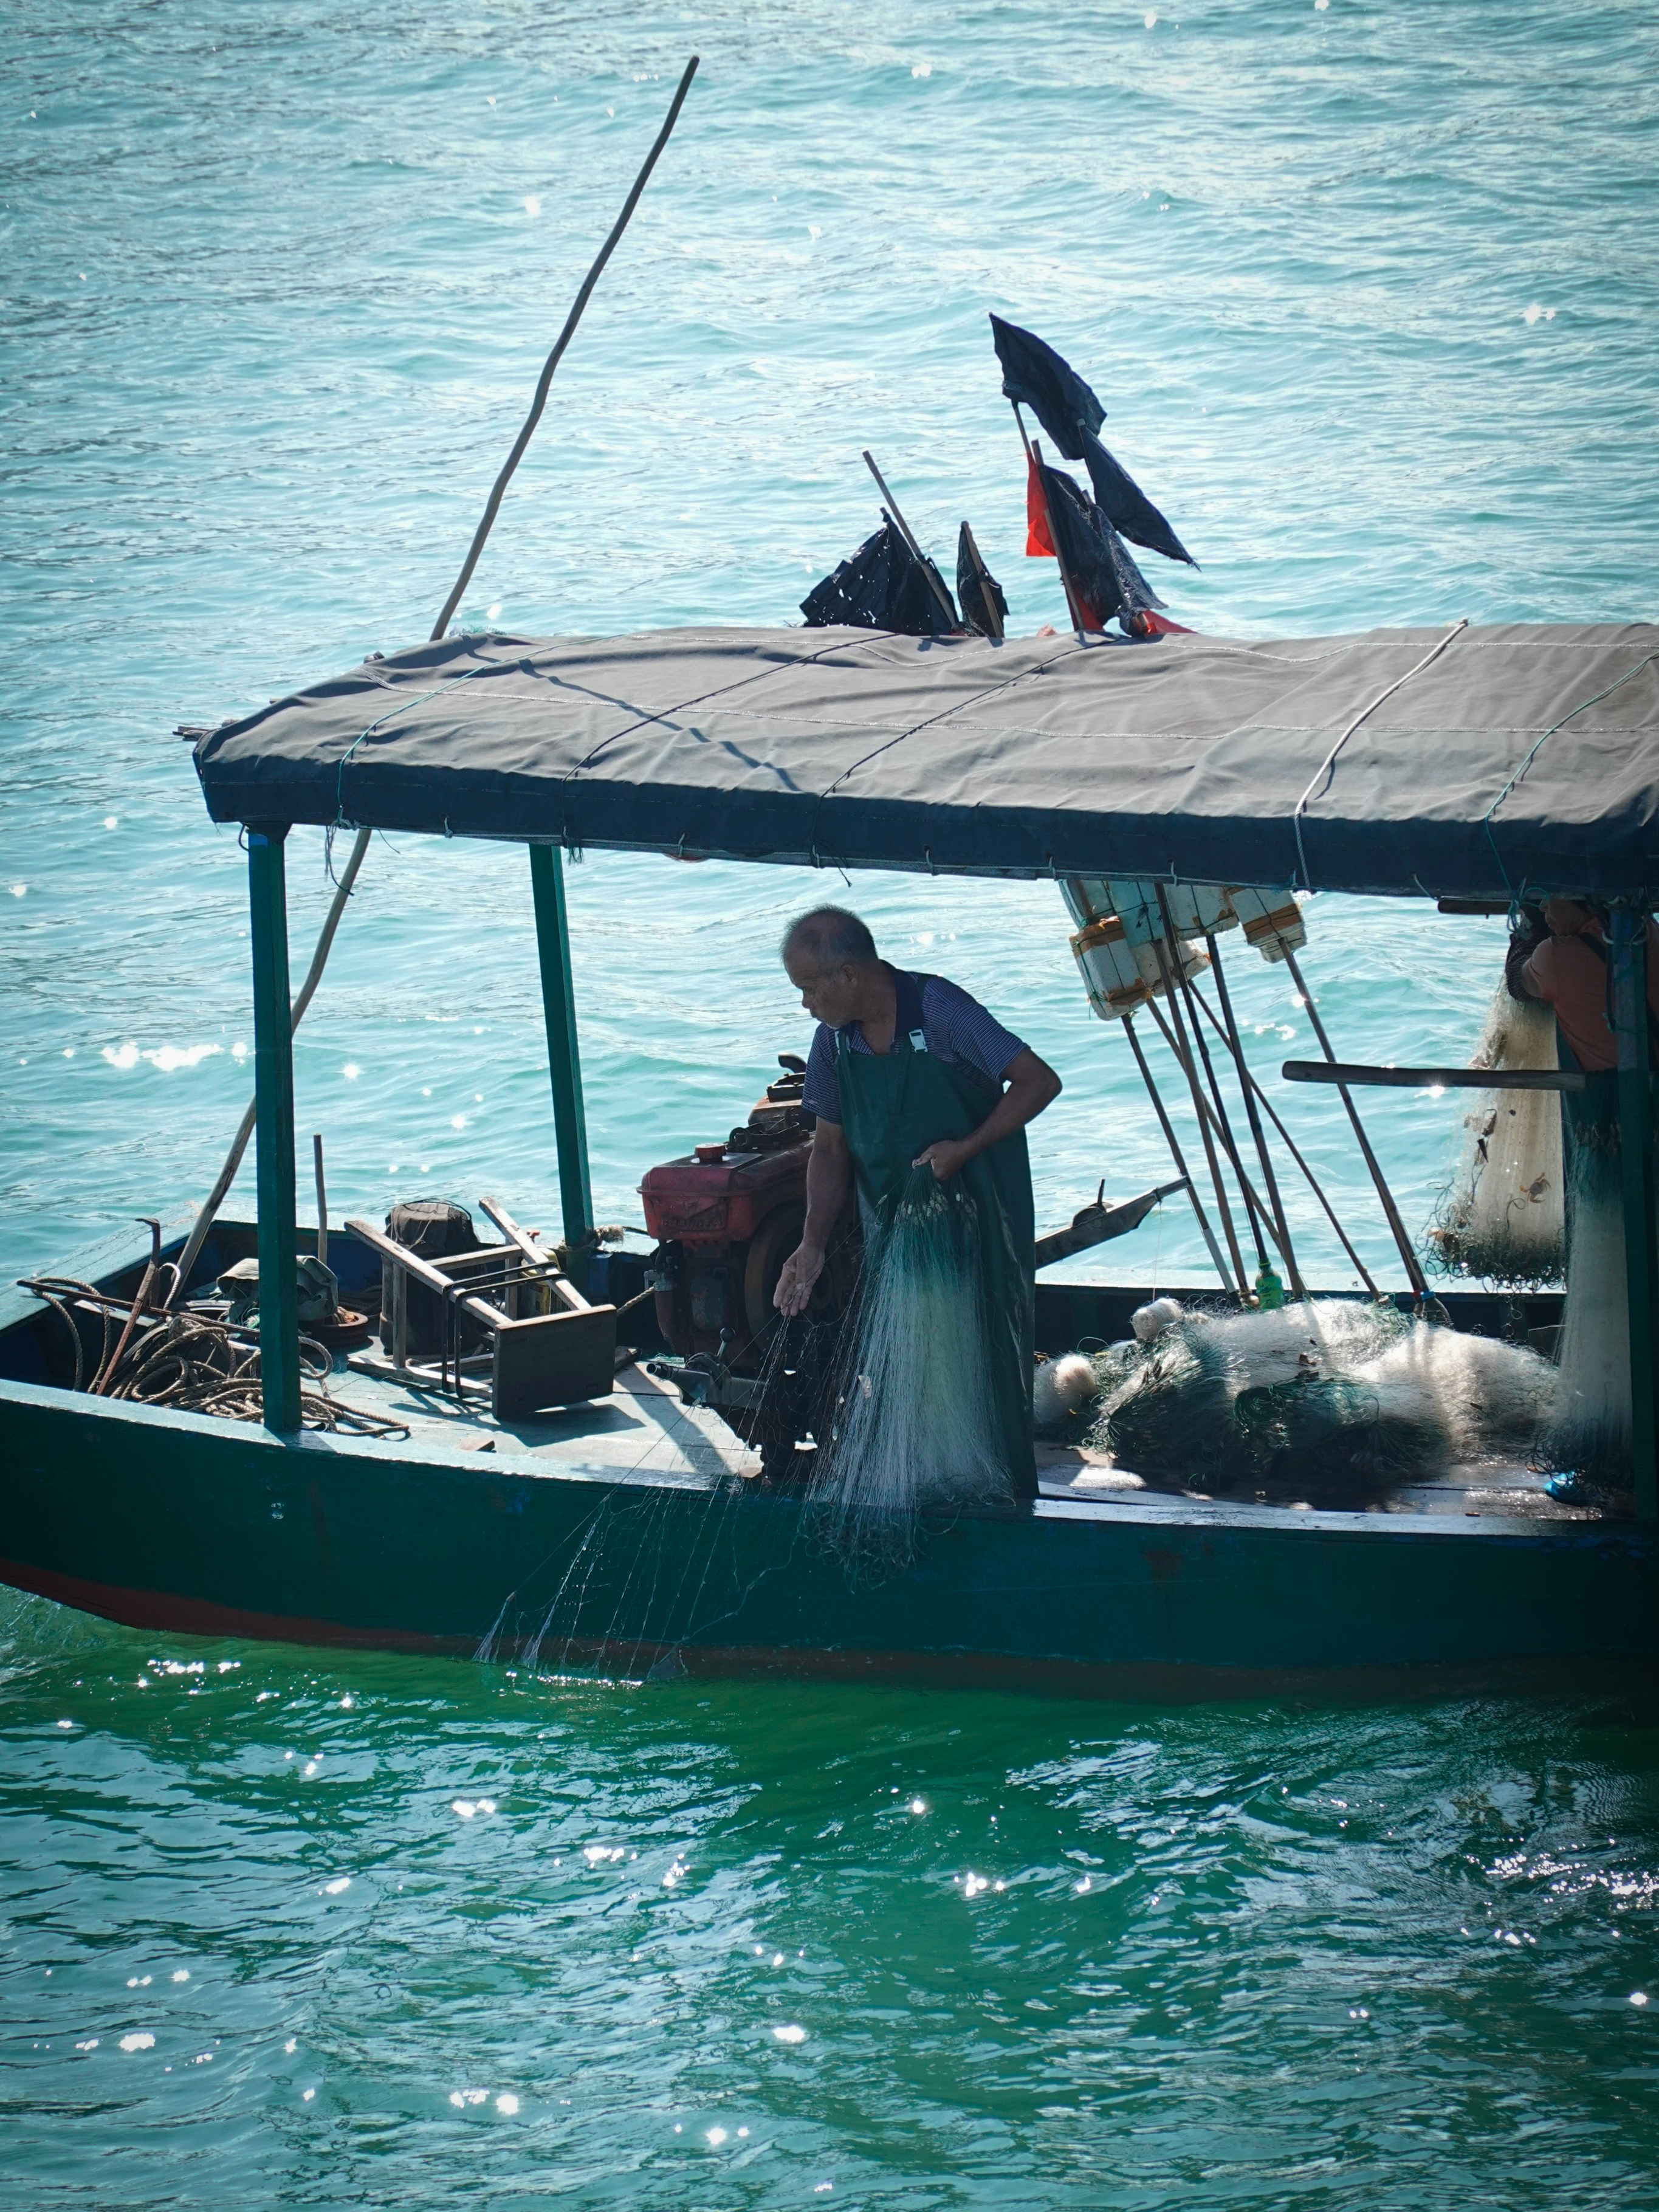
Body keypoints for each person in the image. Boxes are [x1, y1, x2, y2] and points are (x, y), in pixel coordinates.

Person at [771, 905, 1062, 1499]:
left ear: (848, 975)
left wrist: (966, 1147)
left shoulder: (942, 1011)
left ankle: (997, 1495)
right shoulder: (833, 1044)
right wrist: (812, 1244)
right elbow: (829, 1148)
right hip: (894, 1227)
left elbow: (1038, 1080)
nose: (805, 1004)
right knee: (911, 1365)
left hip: (980, 1217)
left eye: (808, 988)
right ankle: (933, 1485)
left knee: (983, 1357)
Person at [1506, 898, 1659, 1068]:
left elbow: (1516, 982)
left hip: (1602, 1092)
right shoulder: (1650, 929)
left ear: (1578, 901)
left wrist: (1532, 922)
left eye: (1548, 895)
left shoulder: (1556, 955)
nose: (1542, 906)